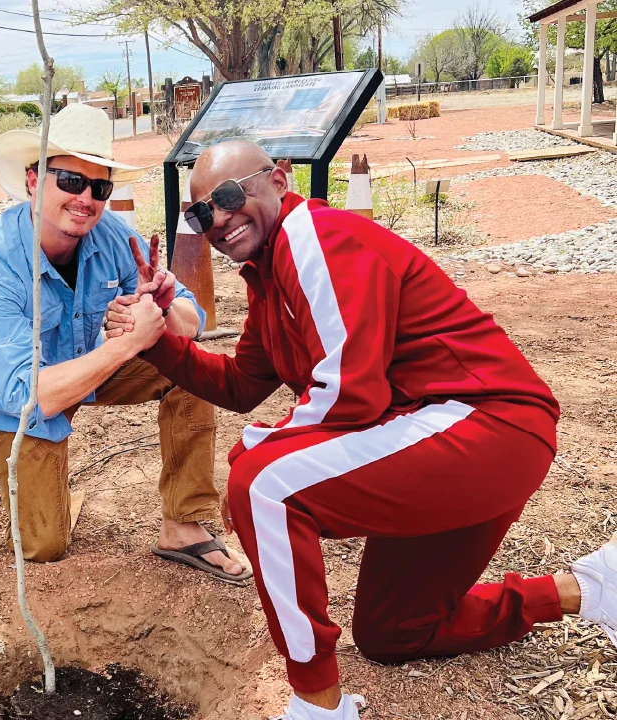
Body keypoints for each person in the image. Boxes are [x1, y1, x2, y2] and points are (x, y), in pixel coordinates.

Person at [106, 139, 617, 719]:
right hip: (438, 443)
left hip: (485, 426)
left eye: (227, 197)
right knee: (396, 630)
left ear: (279, 178)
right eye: (202, 213)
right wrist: (158, 344)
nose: (219, 220)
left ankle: (318, 707)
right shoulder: (270, 274)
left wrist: (260, 452)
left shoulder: (315, 239)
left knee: (264, 484)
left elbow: (348, 392)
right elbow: (240, 384)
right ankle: (594, 587)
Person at [0, 104, 251, 584]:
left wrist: (165, 306)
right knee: (42, 547)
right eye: (70, 181)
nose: (86, 199)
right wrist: (127, 344)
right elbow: (28, 397)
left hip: (90, 368)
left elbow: (192, 323)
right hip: (21, 406)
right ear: (33, 180)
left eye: (100, 187)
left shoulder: (110, 236)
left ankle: (183, 524)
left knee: (190, 366)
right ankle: (39, 492)